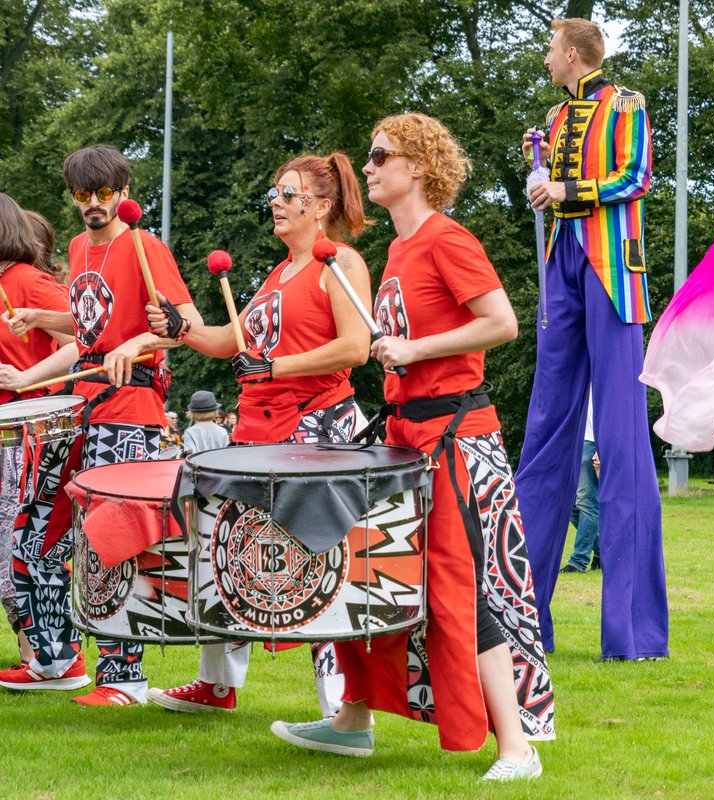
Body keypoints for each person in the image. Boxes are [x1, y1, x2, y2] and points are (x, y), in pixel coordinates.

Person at [270, 113, 553, 781]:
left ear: (418, 167)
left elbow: (502, 323)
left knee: (459, 590)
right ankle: (351, 722)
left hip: (455, 437)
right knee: (376, 576)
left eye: (379, 156)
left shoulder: (447, 239)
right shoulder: (397, 252)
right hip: (404, 436)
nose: (366, 168)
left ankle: (517, 748)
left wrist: (415, 348)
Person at [145, 151, 372, 716]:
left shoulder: (338, 261)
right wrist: (183, 329)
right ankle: (218, 684)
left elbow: (356, 347)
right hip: (259, 433)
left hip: (317, 429)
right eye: (275, 191)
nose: (275, 201)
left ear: (320, 207)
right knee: (231, 550)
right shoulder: (278, 274)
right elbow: (233, 341)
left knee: (320, 562)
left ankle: (339, 708)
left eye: (287, 193)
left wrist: (275, 368)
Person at [0, 146, 199, 705]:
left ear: (123, 189)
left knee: (112, 540)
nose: (93, 204)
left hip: (131, 409)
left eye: (104, 193)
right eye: (82, 195)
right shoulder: (77, 249)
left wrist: (139, 344)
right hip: (78, 405)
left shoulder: (145, 246)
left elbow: (187, 324)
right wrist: (40, 328)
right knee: (34, 530)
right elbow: (89, 334)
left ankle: (123, 677)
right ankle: (56, 659)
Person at [517, 17, 667, 661]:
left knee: (623, 438)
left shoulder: (627, 105)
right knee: (545, 432)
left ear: (574, 53)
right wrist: (538, 165)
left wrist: (563, 187)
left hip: (612, 269)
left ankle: (632, 635)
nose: (546, 59)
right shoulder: (551, 118)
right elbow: (548, 178)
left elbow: (636, 178)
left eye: (552, 49)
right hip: (562, 270)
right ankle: (522, 616)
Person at [0, 194, 73, 666]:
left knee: (19, 544)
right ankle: (36, 653)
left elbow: (85, 341)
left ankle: (48, 653)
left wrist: (27, 377)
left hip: (28, 431)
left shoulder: (26, 280)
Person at [560, 393, 599, 574]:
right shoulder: (579, 375)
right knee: (568, 503)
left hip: (590, 443)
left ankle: (578, 560)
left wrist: (601, 447)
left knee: (586, 502)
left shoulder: (603, 377)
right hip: (573, 442)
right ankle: (602, 551)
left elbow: (611, 416)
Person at [181, 390, 230, 456]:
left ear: (192, 412)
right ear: (215, 411)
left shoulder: (190, 432)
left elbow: (191, 456)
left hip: (199, 465)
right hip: (219, 465)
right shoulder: (222, 431)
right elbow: (226, 454)